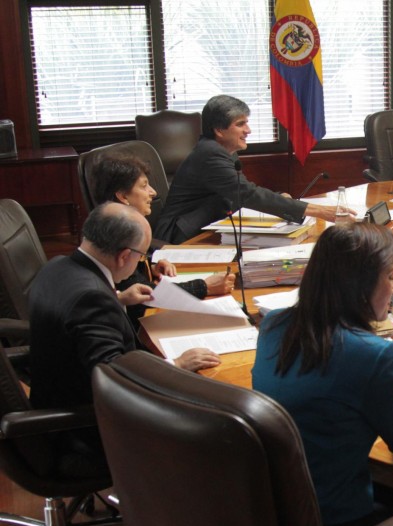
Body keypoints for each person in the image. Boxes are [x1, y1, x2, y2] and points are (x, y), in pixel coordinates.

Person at [251, 222, 393, 526]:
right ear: (361, 285)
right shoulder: (374, 355)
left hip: (274, 519)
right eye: (388, 277)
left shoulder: (273, 324)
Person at [28, 203, 220, 474]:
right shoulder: (92, 299)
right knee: (211, 424)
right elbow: (115, 383)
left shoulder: (57, 266)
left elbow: (74, 319)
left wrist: (118, 298)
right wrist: (175, 365)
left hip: (54, 402)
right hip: (87, 430)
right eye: (141, 255)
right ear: (124, 256)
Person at [155, 94, 350, 244]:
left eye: (246, 123)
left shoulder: (222, 150)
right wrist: (319, 211)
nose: (248, 130)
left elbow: (240, 189)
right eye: (240, 124)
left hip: (206, 226)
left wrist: (279, 198)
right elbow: (246, 194)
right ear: (219, 130)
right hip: (180, 236)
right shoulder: (210, 154)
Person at [92, 154, 236, 326]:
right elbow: (142, 296)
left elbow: (129, 282)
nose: (153, 192)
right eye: (144, 186)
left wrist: (147, 267)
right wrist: (204, 286)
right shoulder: (118, 233)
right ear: (123, 197)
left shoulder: (108, 223)